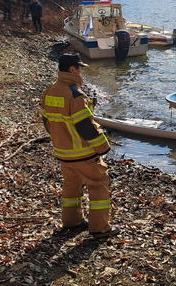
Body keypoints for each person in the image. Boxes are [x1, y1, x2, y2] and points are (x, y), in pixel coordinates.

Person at [42, 53, 119, 238]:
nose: (81, 71)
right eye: (79, 68)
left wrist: (60, 140)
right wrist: (103, 147)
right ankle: (100, 228)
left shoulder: (50, 91)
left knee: (71, 187)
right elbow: (86, 126)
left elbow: (47, 122)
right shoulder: (75, 95)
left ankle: (72, 221)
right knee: (99, 185)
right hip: (83, 153)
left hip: (63, 152)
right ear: (72, 69)